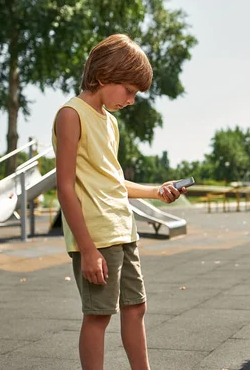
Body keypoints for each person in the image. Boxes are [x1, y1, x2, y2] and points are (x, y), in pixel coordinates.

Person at [53, 34, 186, 370]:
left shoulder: (110, 123)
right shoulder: (71, 115)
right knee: (98, 317)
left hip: (124, 229)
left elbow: (113, 181)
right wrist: (87, 249)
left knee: (136, 307)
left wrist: (158, 190)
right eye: (129, 90)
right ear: (103, 76)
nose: (131, 100)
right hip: (97, 235)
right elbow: (65, 188)